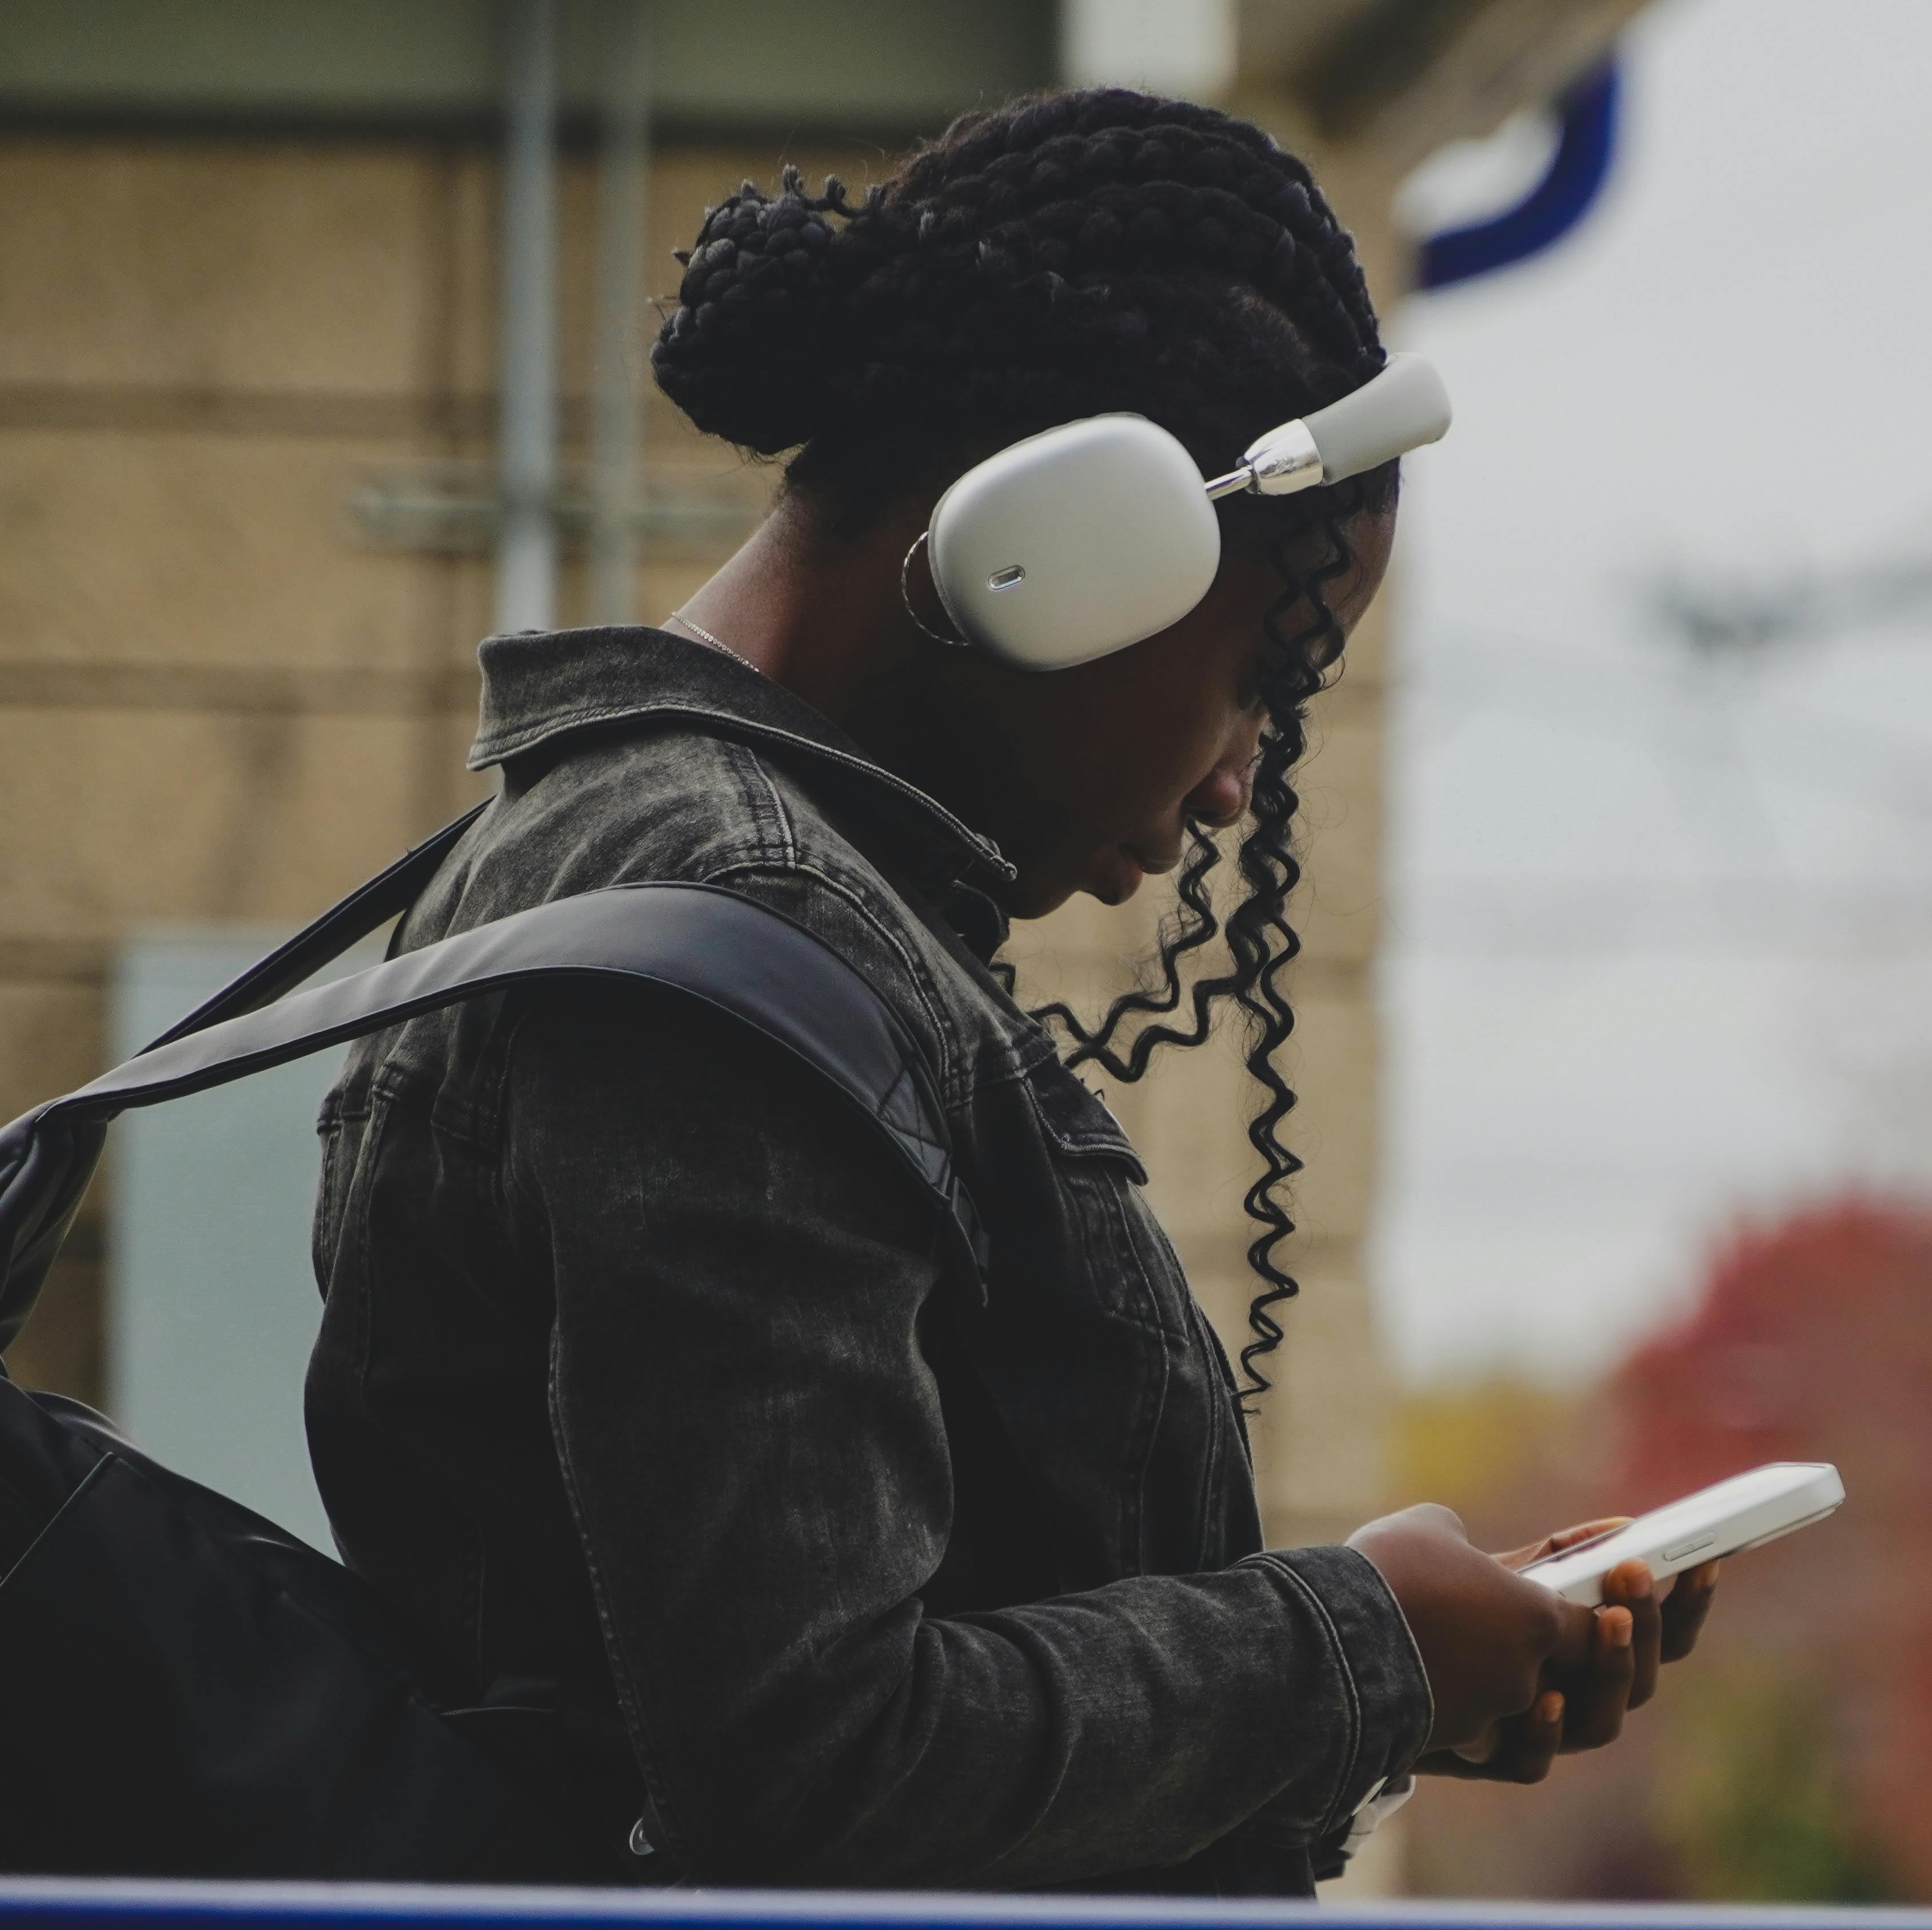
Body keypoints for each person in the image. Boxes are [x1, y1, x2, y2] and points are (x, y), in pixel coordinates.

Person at [306, 87, 1715, 1895]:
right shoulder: (726, 920)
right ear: (1065, 556)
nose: (1234, 783)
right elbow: (822, 1777)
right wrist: (1354, 1641)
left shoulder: (674, 875)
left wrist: (1387, 1683)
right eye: (1263, 683)